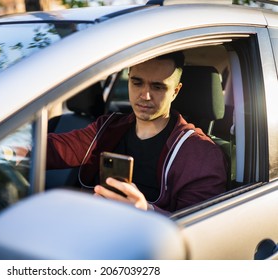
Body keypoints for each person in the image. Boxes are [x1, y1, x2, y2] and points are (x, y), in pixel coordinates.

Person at [46, 51, 228, 215]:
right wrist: (18, 150)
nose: (145, 95)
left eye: (158, 87)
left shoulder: (201, 153)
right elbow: (54, 149)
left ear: (175, 91)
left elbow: (198, 228)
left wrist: (145, 211)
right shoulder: (108, 127)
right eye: (137, 82)